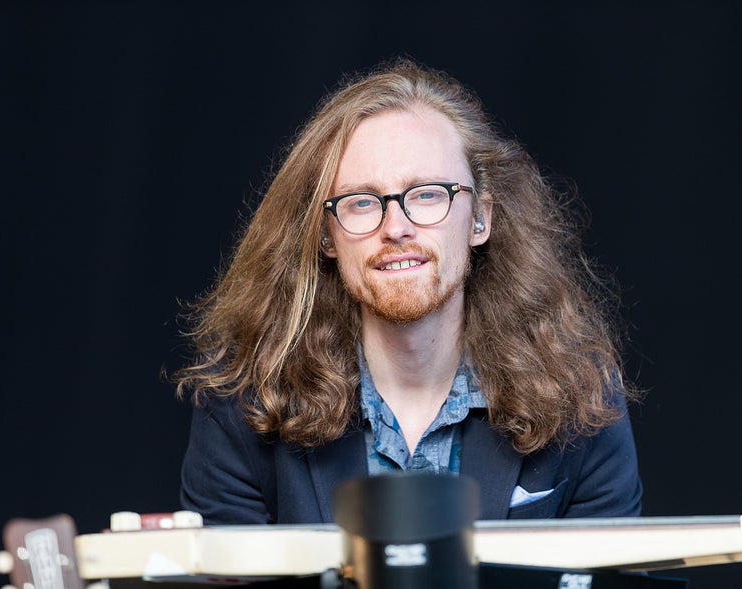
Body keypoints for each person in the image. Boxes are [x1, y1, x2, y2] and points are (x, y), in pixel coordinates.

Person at [174, 57, 643, 525]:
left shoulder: (580, 396)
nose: (396, 227)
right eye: (362, 202)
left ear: (480, 218)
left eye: (428, 194)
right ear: (325, 236)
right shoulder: (242, 405)